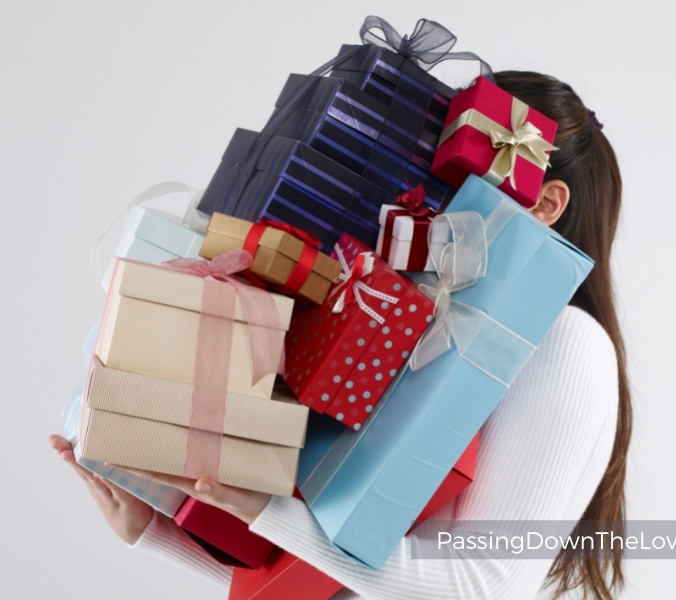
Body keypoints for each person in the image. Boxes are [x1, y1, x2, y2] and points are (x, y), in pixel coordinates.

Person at [50, 70, 632, 600]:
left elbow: (482, 586)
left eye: (459, 178)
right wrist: (152, 528)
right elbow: (320, 581)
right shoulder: (427, 322)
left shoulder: (568, 343)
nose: (426, 199)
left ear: (548, 203)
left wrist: (263, 509)